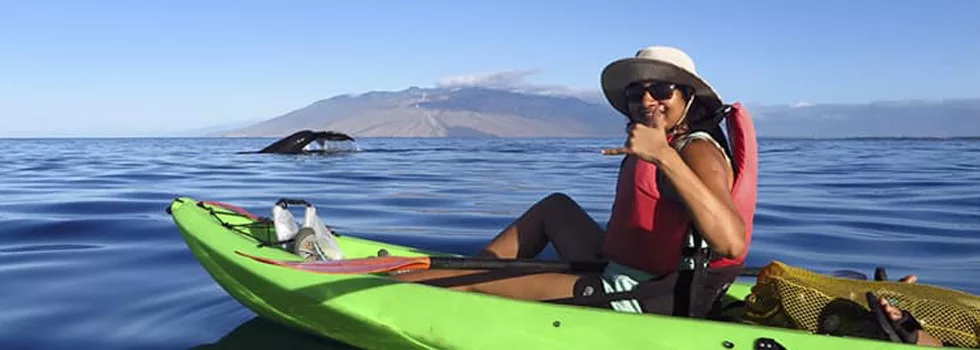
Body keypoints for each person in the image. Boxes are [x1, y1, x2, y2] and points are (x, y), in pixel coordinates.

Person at [393, 46, 759, 318]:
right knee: (556, 208)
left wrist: (663, 155)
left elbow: (731, 242)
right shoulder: (671, 142)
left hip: (648, 296)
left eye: (662, 90)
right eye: (637, 93)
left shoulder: (697, 151)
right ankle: (476, 274)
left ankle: (462, 284)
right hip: (630, 268)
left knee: (466, 281)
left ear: (688, 97)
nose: (647, 101)